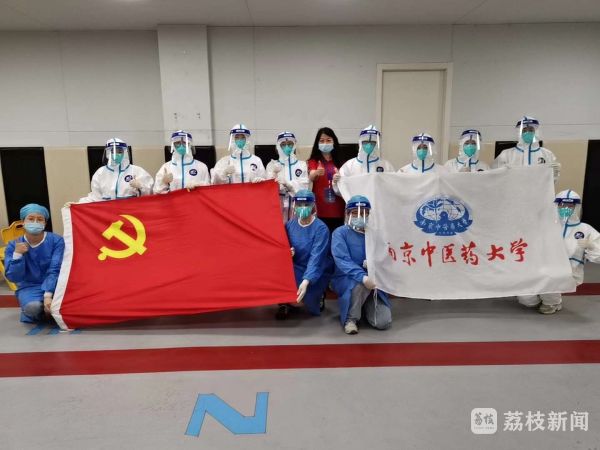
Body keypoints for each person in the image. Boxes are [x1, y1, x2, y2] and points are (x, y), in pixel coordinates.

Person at [518, 190, 600, 314]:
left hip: (569, 271)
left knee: (551, 279)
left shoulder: (585, 229)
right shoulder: (545, 226)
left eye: (570, 205)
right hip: (540, 266)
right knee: (526, 299)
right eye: (562, 205)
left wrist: (591, 246)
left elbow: (598, 256)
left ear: (576, 207)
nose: (565, 208)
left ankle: (553, 302)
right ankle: (539, 296)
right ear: (556, 206)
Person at [331, 195, 392, 334]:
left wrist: (374, 264)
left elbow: (384, 256)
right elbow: (342, 259)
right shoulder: (340, 233)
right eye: (355, 213)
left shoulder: (374, 234)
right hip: (348, 279)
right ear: (347, 214)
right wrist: (363, 277)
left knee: (383, 322)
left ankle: (363, 305)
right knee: (359, 285)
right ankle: (351, 319)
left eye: (364, 213)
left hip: (373, 281)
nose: (360, 216)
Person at [277, 190, 333, 319]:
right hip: (296, 266)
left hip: (317, 268)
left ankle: (319, 295)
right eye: (299, 204)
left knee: (307, 298)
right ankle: (284, 303)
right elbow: (284, 247)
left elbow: (317, 257)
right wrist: (288, 253)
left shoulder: (321, 228)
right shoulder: (290, 225)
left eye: (306, 204)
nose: (303, 208)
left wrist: (307, 280)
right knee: (284, 282)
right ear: (294, 205)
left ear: (313, 205)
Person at [4, 204, 64, 323]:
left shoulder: (56, 241)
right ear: (23, 222)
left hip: (56, 284)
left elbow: (55, 268)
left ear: (45, 223)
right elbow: (13, 277)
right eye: (31, 219)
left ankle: (49, 311)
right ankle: (42, 312)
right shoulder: (13, 245)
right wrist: (17, 255)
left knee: (69, 306)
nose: (35, 222)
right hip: (30, 287)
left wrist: (48, 295)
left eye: (40, 219)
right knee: (33, 308)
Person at [79, 138, 154, 203]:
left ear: (125, 153)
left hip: (131, 211)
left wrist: (141, 187)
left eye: (119, 151)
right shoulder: (100, 173)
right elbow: (95, 197)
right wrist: (78, 205)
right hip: (108, 212)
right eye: (113, 151)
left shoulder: (137, 171)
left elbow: (152, 194)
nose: (116, 154)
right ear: (108, 153)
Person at [492, 116, 560, 182]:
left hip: (538, 190)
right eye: (524, 130)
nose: (527, 133)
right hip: (515, 189)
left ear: (536, 132)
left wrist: (554, 174)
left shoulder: (547, 154)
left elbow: (551, 182)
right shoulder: (506, 155)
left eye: (531, 130)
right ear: (519, 133)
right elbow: (494, 176)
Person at [334, 125, 394, 193]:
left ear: (377, 144)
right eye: (365, 142)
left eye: (372, 142)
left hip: (378, 200)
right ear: (360, 143)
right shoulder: (349, 166)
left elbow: (393, 188)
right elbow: (341, 191)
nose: (368, 145)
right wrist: (336, 183)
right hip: (356, 200)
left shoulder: (386, 165)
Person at [307, 127, 345, 232]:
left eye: (328, 140)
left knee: (337, 237)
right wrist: (316, 173)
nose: (325, 143)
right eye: (322, 140)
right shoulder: (313, 161)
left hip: (338, 208)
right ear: (317, 143)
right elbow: (311, 176)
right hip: (320, 208)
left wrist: (340, 178)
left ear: (334, 142)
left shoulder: (341, 162)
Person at [266, 131, 310, 222]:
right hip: (279, 206)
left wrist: (289, 184)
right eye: (283, 144)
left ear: (294, 145)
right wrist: (273, 175)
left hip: (297, 206)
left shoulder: (302, 165)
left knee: (296, 228)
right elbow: (268, 191)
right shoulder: (272, 165)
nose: (287, 147)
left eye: (290, 144)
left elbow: (304, 188)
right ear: (278, 146)